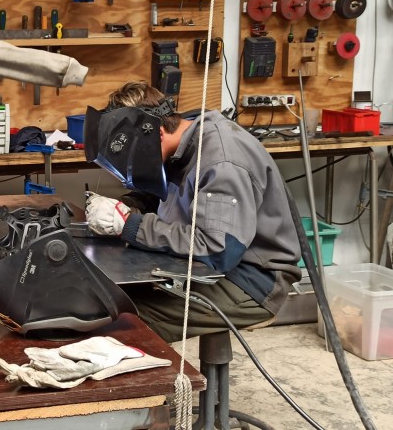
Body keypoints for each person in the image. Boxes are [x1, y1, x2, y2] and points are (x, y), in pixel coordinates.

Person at [84, 81, 302, 342]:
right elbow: (163, 193)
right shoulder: (182, 143)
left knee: (120, 320)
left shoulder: (220, 161)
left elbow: (217, 249)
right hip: (213, 269)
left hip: (249, 281)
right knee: (103, 293)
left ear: (156, 133)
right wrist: (125, 206)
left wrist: (130, 225)